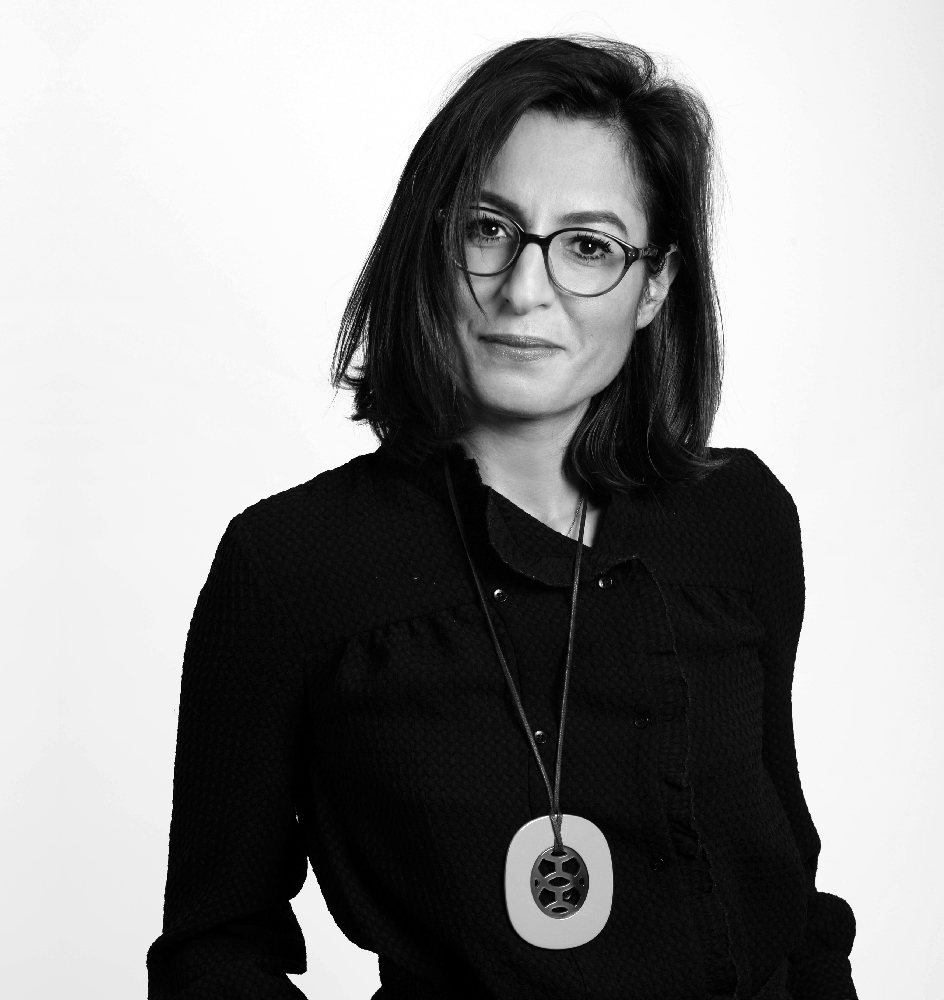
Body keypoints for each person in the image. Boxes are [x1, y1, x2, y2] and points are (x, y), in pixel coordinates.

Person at [147, 36, 858, 1000]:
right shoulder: (294, 566)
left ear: (655, 286)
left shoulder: (741, 520)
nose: (526, 291)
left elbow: (787, 895)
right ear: (432, 242)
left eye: (589, 247)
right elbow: (214, 951)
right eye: (489, 230)